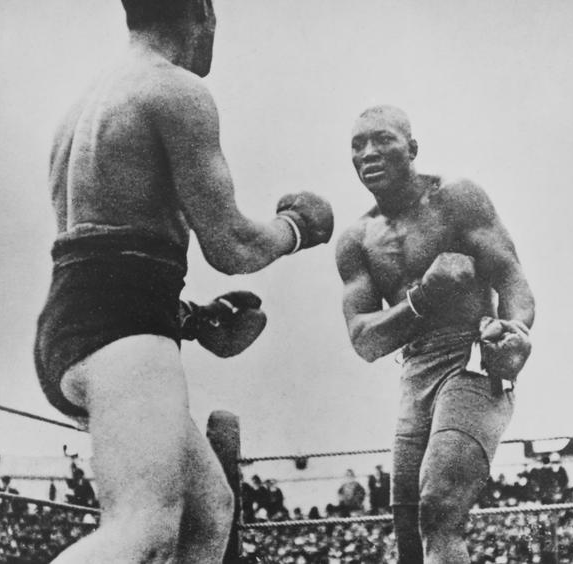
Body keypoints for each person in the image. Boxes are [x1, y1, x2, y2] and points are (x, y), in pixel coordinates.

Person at [33, 1, 334, 562]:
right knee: (140, 531)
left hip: (79, 326)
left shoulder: (82, 106)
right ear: (202, 14)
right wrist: (295, 229)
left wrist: (188, 317)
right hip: (122, 335)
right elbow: (232, 245)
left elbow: (102, 253)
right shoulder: (174, 91)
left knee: (206, 511)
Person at [335, 105, 534, 563]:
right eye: (357, 144)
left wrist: (515, 330)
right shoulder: (357, 240)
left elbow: (513, 280)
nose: (369, 152)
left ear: (412, 148)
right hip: (414, 374)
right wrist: (424, 295)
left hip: (472, 360)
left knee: (439, 504)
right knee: (409, 536)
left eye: (382, 139)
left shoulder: (457, 199)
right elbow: (365, 340)